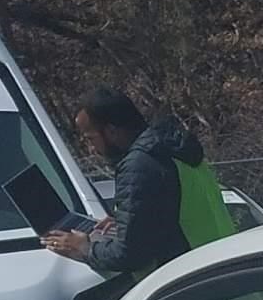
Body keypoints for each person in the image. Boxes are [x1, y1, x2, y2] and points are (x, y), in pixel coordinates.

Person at [43, 86, 235, 284]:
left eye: (91, 138)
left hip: (194, 287)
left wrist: (86, 247)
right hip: (227, 269)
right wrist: (129, 219)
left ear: (111, 131)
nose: (91, 148)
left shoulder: (140, 165)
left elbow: (130, 254)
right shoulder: (173, 150)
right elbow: (177, 207)